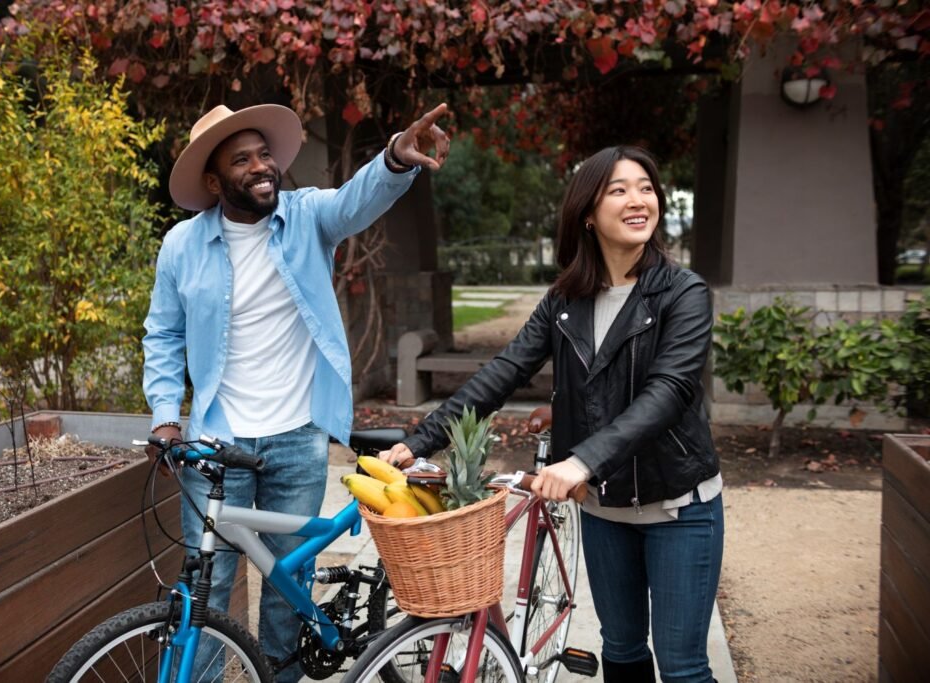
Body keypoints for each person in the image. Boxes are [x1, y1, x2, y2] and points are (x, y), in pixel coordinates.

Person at [380, 146, 723, 683]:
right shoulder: (566, 298)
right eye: (619, 190)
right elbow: (505, 371)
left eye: (646, 188)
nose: (639, 201)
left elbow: (670, 391)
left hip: (677, 506)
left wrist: (581, 461)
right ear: (588, 212)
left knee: (682, 666)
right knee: (623, 648)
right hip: (607, 511)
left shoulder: (683, 293)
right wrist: (422, 439)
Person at [143, 101, 450, 681]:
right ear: (214, 181)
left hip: (297, 437)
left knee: (288, 586)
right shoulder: (181, 246)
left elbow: (355, 199)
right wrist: (165, 417)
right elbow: (162, 334)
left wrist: (393, 159)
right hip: (214, 444)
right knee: (203, 591)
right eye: (242, 159)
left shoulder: (306, 217)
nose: (261, 166)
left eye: (264, 154)